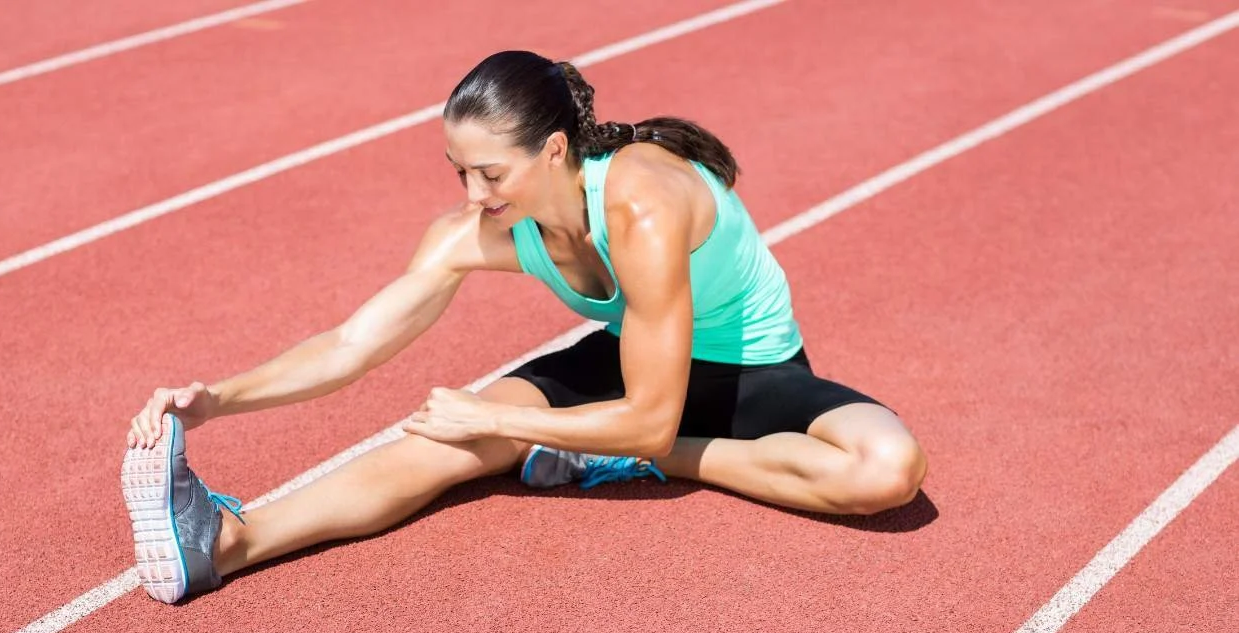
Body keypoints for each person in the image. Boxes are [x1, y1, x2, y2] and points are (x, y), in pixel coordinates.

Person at [122, 51, 928, 604]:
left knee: (887, 470)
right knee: (440, 446)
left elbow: (651, 418)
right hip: (630, 362)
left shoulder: (642, 203)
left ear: (553, 150)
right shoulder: (474, 232)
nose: (474, 196)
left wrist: (505, 422)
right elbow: (349, 346)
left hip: (752, 372)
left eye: (491, 173)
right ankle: (229, 542)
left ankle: (603, 454)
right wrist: (217, 399)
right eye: (459, 172)